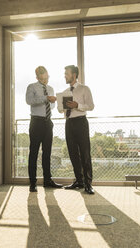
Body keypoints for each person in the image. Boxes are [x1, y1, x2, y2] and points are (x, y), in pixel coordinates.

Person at [58, 65, 95, 194]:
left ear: (74, 75)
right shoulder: (65, 91)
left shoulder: (84, 89)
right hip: (69, 123)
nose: (65, 76)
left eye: (66, 74)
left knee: (84, 153)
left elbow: (91, 106)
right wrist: (61, 107)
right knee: (73, 153)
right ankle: (79, 181)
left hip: (81, 122)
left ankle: (88, 184)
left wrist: (77, 105)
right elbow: (61, 110)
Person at [25, 66, 63, 192]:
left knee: (47, 153)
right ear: (37, 77)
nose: (45, 80)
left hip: (48, 123)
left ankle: (47, 180)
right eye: (42, 78)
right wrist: (45, 98)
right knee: (34, 153)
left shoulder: (51, 88)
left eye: (46, 77)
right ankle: (33, 183)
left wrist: (51, 101)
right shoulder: (32, 87)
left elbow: (51, 106)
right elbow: (29, 101)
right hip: (36, 122)